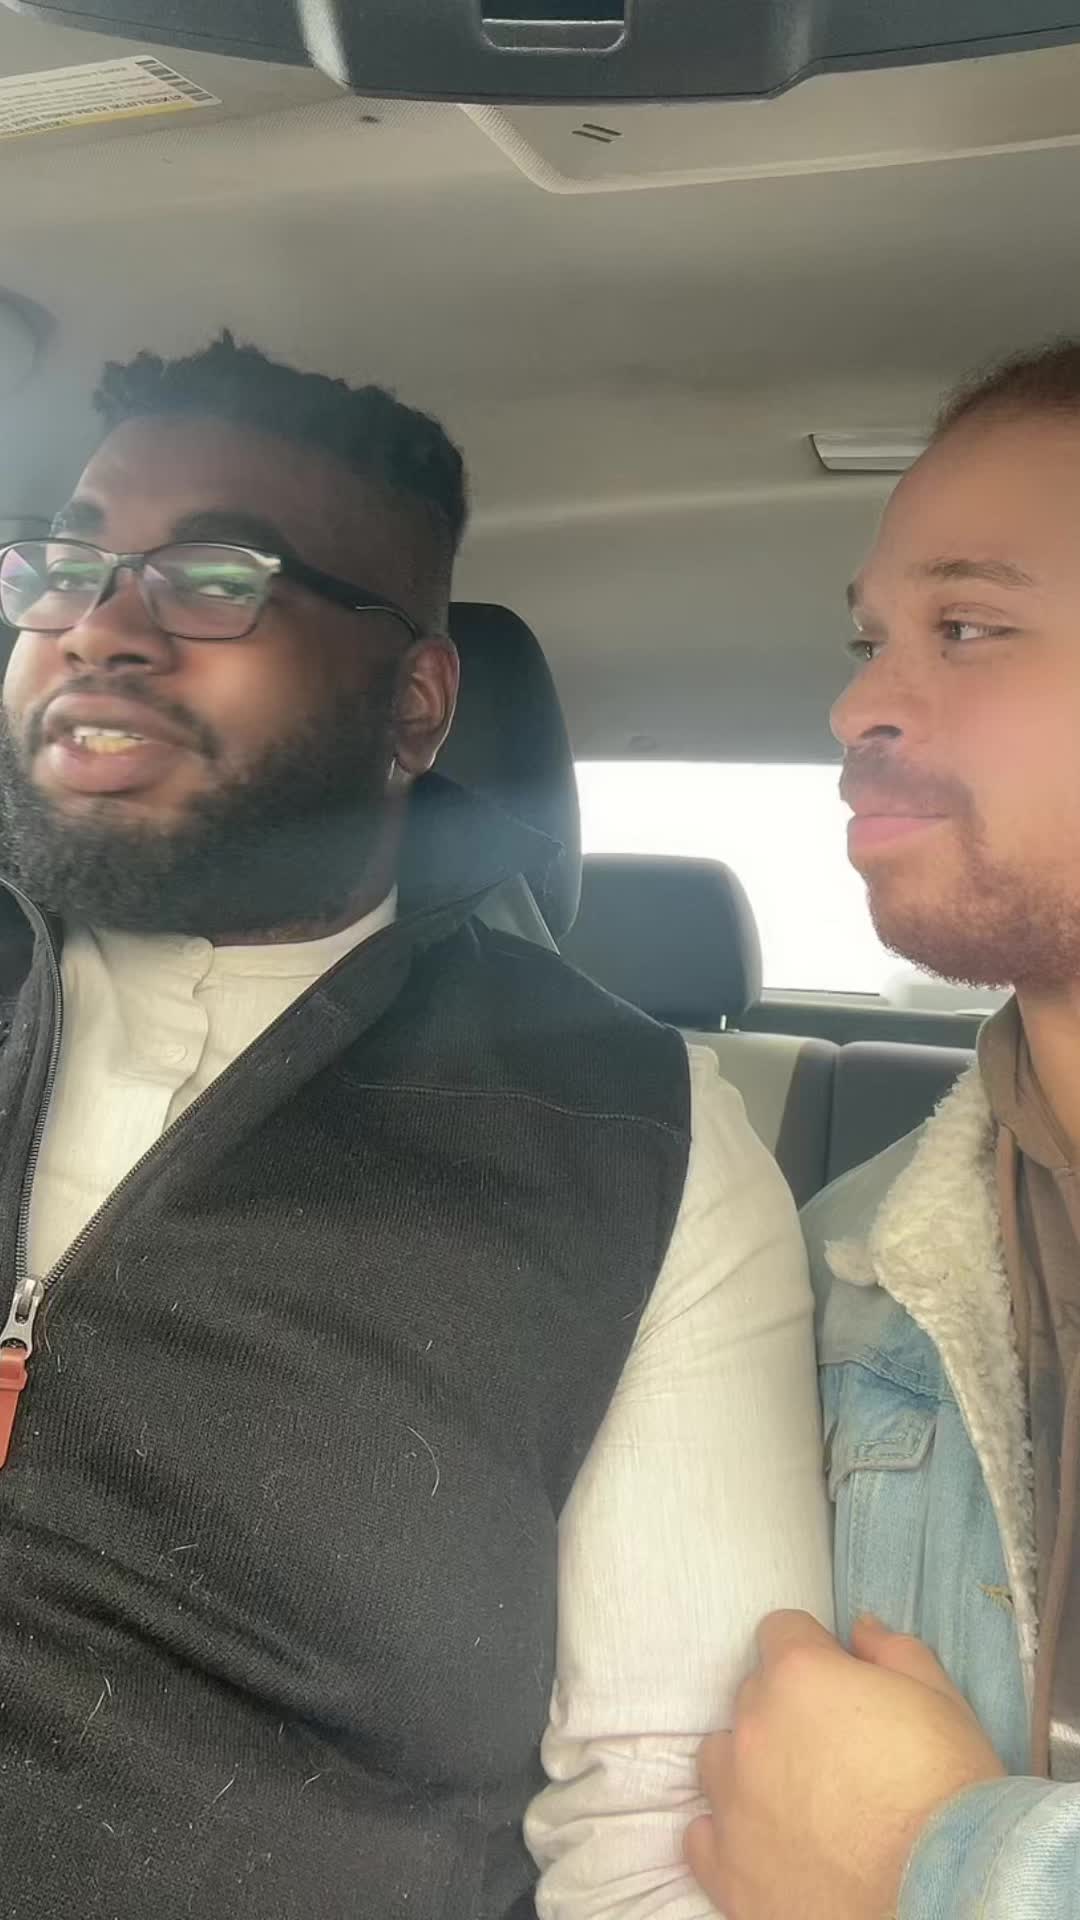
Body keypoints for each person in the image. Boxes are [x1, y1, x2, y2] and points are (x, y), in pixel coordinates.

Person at [0, 332, 832, 1919]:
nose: (97, 625)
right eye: (64, 565)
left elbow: (667, 1828)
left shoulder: (630, 1139)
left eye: (216, 580)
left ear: (417, 704)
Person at [686, 339, 1080, 1919]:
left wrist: (936, 1866)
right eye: (870, 641)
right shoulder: (844, 1267)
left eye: (967, 628)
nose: (857, 702)